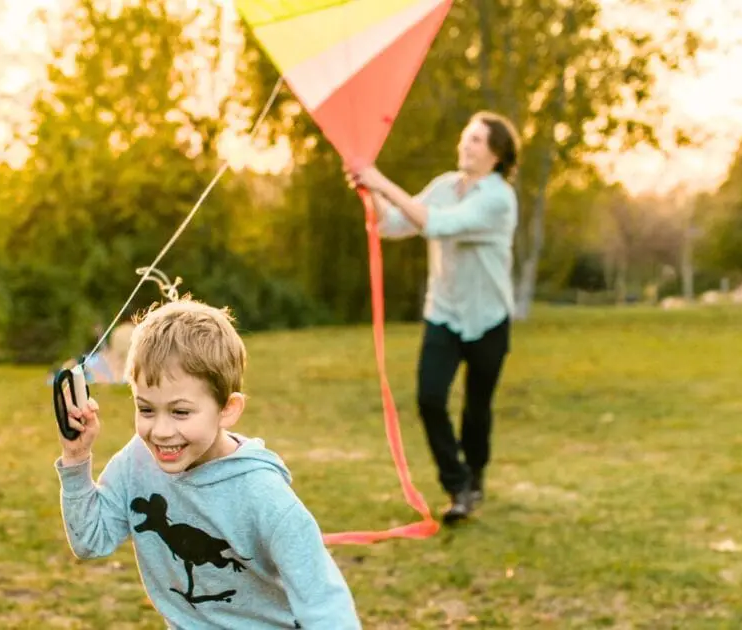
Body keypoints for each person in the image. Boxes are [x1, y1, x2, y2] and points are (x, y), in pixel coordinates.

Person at [53, 296, 361, 629]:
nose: (161, 431)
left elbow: (325, 604)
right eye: (145, 409)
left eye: (180, 412)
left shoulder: (264, 496)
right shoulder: (136, 463)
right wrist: (76, 458)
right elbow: (89, 541)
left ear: (228, 409)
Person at [346, 110, 520, 525]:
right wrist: (368, 192)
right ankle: (457, 485)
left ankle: (474, 477)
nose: (465, 143)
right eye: (466, 135)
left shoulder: (498, 198)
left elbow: (438, 226)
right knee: (429, 398)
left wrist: (379, 179)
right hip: (443, 312)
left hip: (489, 318)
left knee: (477, 408)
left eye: (476, 140)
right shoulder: (444, 186)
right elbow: (392, 225)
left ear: (496, 153)